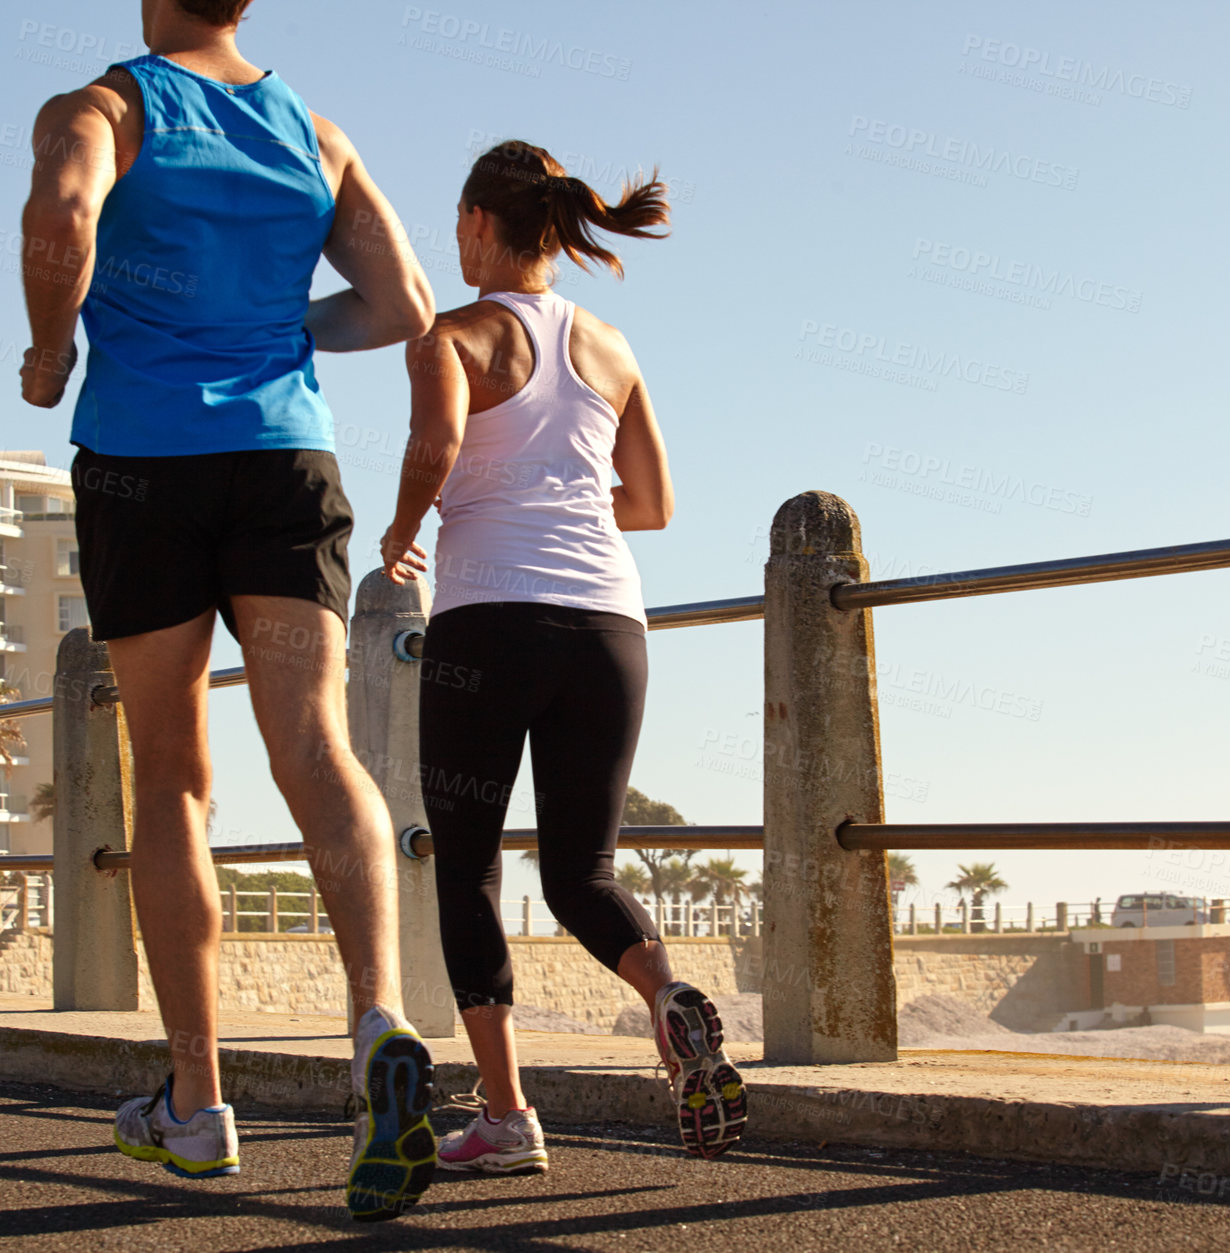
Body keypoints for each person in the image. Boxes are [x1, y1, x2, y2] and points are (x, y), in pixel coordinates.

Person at [20, 0, 438, 1221]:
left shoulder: (107, 106)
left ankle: (198, 1106)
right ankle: (378, 1017)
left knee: (174, 779)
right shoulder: (314, 132)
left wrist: (52, 353)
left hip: (144, 460)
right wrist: (266, 331)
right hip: (286, 459)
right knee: (314, 742)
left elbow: (60, 220)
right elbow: (403, 303)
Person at [379, 141, 747, 1170]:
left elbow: (437, 443)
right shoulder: (613, 345)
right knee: (582, 866)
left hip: (489, 620)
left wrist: (406, 524)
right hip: (608, 626)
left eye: (457, 225)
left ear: (483, 226)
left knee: (470, 864)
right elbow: (655, 506)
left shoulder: (451, 336)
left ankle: (506, 1116)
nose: (453, 242)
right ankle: (668, 1001)